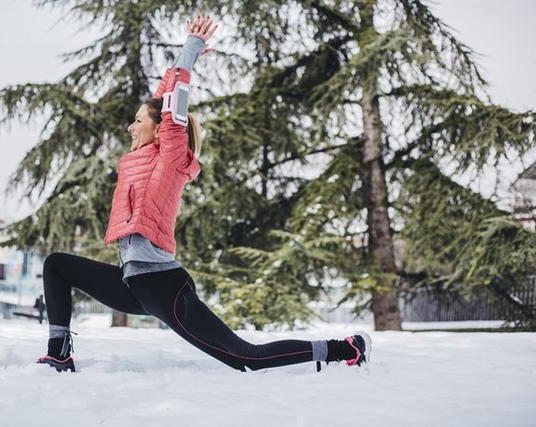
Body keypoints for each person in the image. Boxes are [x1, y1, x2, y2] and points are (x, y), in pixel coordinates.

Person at [37, 15, 371, 373]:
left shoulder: (170, 156)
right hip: (132, 282)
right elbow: (161, 97)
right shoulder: (142, 158)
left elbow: (172, 102)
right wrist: (169, 79)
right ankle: (60, 352)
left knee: (246, 357)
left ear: (160, 125)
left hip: (163, 286)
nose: (130, 126)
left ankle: (343, 349)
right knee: (57, 265)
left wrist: (190, 50)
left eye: (138, 120)